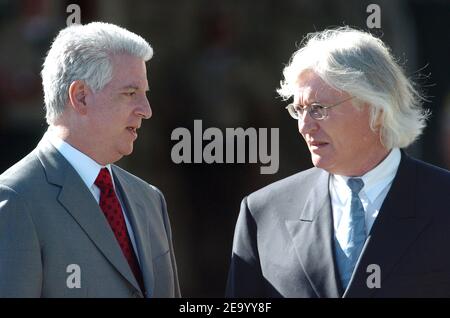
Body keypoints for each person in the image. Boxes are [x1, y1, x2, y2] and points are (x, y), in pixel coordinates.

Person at [226, 26, 450, 298]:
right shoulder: (263, 212)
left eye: (318, 109)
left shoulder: (441, 199)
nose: (304, 126)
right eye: (299, 110)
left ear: (377, 109)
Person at [0, 22, 180, 298]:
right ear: (81, 97)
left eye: (145, 95)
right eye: (131, 93)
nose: (146, 110)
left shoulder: (149, 200)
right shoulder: (16, 199)